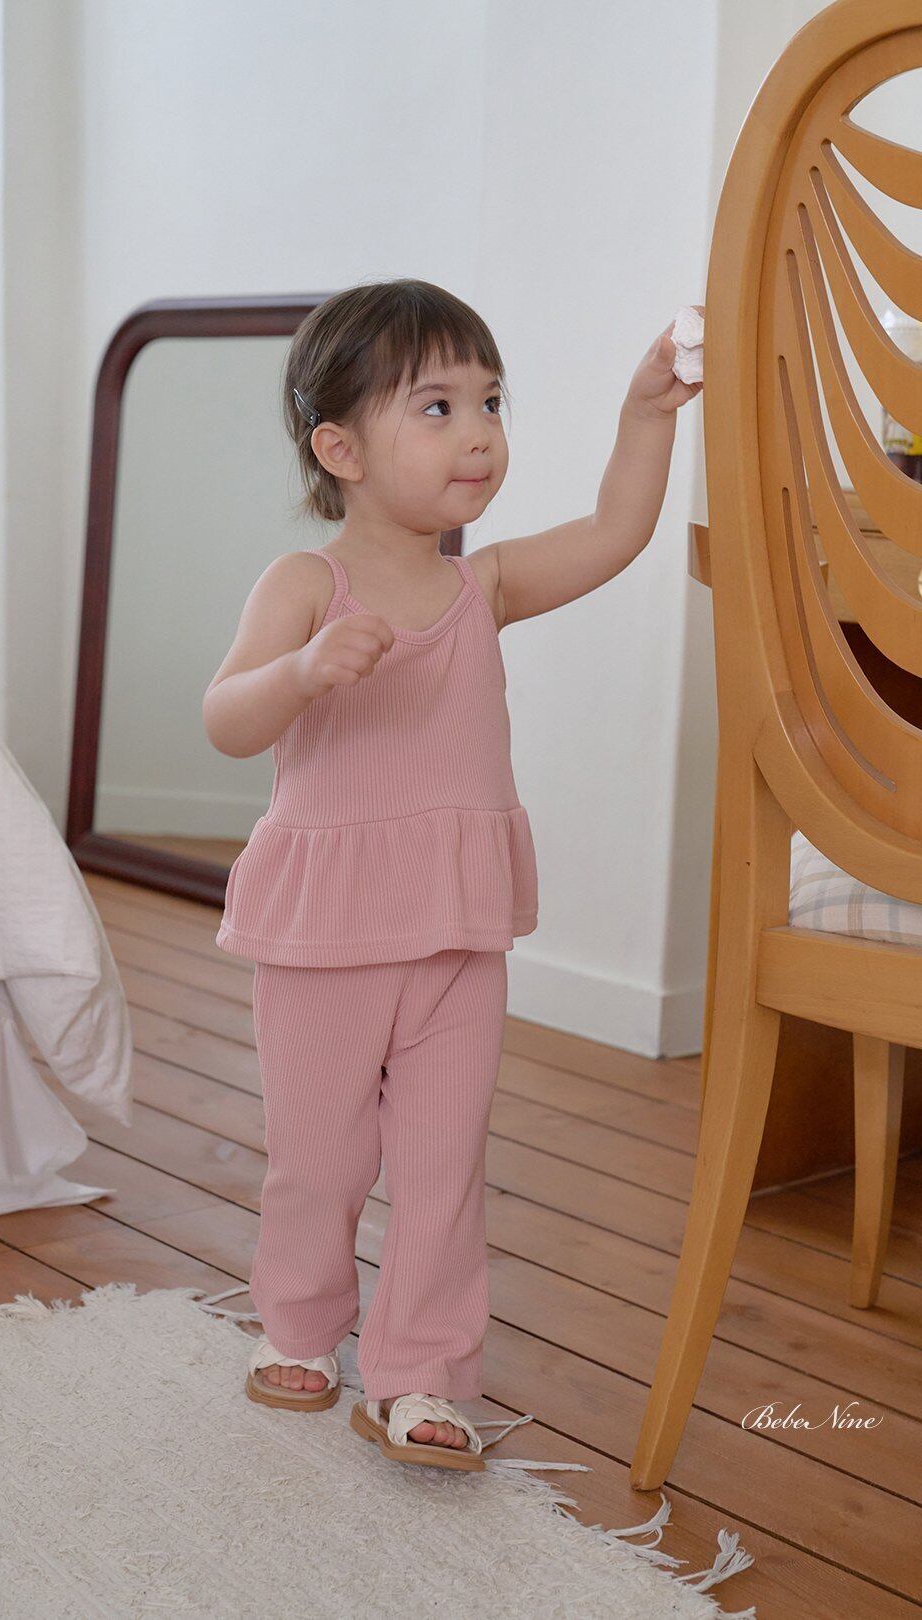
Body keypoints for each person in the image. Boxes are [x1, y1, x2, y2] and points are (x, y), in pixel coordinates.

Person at [203, 278, 702, 1467]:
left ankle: (421, 1370)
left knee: (443, 1166)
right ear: (341, 449)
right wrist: (303, 672)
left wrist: (647, 412)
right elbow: (226, 718)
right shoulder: (304, 586)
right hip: (325, 939)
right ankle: (301, 1327)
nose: (478, 433)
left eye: (490, 402)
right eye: (437, 407)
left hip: (457, 933)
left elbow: (617, 532)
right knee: (319, 1159)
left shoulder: (485, 587)